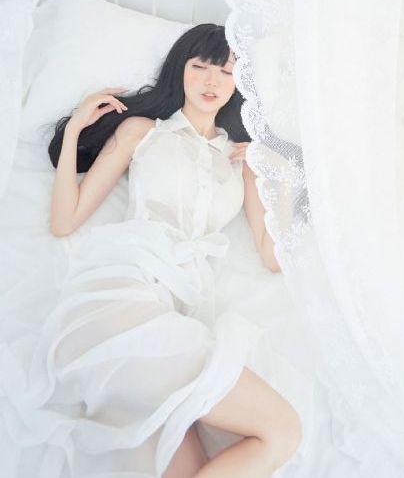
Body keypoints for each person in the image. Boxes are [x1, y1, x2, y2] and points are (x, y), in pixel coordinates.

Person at [4, 24, 302, 478]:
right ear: (179, 71)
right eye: (199, 67)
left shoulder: (241, 159)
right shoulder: (142, 132)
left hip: (174, 317)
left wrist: (277, 175)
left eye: (226, 72)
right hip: (121, 296)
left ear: (238, 85)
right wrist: (75, 131)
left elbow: (272, 255)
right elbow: (64, 221)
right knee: (282, 429)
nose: (211, 81)